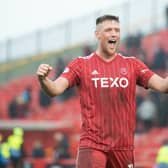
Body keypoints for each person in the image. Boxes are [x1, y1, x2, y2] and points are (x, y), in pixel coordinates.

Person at [36, 15, 168, 168]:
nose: (114, 34)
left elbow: (163, 86)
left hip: (123, 148)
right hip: (93, 145)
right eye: (108, 30)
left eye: (117, 30)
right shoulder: (81, 64)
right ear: (97, 34)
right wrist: (43, 80)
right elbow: (54, 89)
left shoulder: (133, 64)